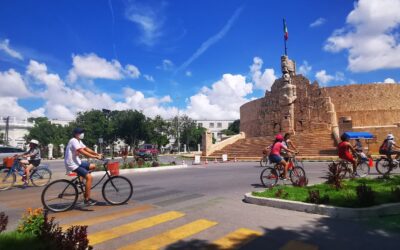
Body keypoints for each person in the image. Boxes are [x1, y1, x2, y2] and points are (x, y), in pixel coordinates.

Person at [65, 128, 102, 206]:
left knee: (93, 166)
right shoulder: (73, 140)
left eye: (82, 132)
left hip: (77, 161)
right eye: (80, 133)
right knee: (89, 178)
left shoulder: (78, 141)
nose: (82, 134)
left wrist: (96, 154)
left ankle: (79, 182)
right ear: (76, 134)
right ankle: (87, 199)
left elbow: (86, 148)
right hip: (72, 163)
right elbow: (81, 151)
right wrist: (94, 157)